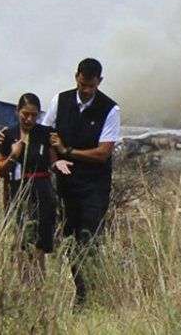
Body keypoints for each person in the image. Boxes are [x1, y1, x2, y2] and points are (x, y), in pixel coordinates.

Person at [41, 58, 121, 304]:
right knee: (70, 237)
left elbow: (102, 153)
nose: (86, 90)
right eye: (83, 84)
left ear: (100, 82)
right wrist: (56, 161)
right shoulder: (60, 100)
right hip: (67, 183)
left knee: (89, 237)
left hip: (94, 185)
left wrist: (68, 151)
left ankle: (90, 294)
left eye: (91, 86)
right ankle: (81, 290)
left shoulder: (110, 109)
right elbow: (47, 134)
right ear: (76, 76)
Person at [0, 93, 72, 274]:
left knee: (39, 241)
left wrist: (58, 163)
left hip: (42, 191)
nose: (29, 119)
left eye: (34, 115)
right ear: (17, 111)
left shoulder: (45, 133)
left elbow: (52, 160)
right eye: (25, 114)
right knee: (20, 240)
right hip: (17, 191)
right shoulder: (7, 135)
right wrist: (13, 156)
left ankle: (39, 284)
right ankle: (22, 282)